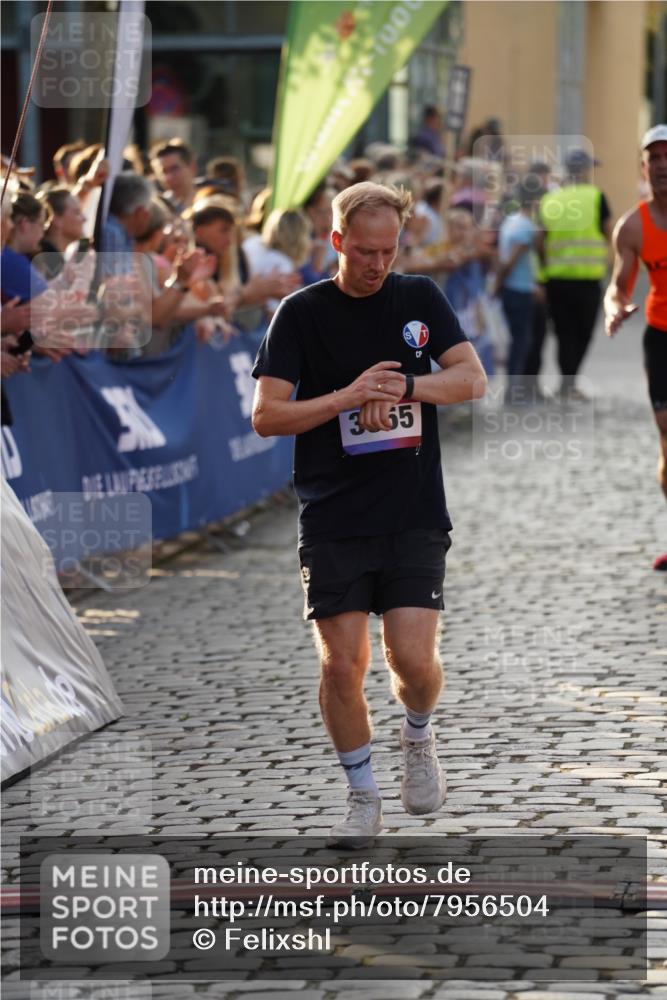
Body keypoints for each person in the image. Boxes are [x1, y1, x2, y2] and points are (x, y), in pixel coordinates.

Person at [251, 181, 486, 847]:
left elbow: (472, 380)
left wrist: (404, 385)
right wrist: (347, 398)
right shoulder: (300, 312)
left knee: (411, 659)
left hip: (412, 507)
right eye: (362, 252)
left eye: (386, 251)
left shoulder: (418, 299)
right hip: (332, 512)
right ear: (335, 243)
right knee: (340, 664)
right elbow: (266, 415)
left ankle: (417, 736)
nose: (376, 263)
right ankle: (361, 794)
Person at [604, 124, 667, 571]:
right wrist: (615, 308)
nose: (663, 166)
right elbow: (618, 286)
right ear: (644, 169)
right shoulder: (633, 226)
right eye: (655, 159)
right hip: (661, 336)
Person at [538, 148, 612, 400]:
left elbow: (540, 238)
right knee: (583, 332)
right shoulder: (596, 196)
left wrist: (544, 267)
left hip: (556, 279)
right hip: (588, 280)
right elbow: (608, 231)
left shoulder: (550, 200)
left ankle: (566, 382)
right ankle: (569, 383)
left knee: (563, 332)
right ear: (585, 170)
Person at [494, 175, 542, 401]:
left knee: (518, 339)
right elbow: (511, 261)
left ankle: (514, 388)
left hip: (512, 289)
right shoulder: (526, 227)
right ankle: (513, 390)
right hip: (519, 290)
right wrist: (500, 282)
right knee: (521, 341)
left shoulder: (510, 221)